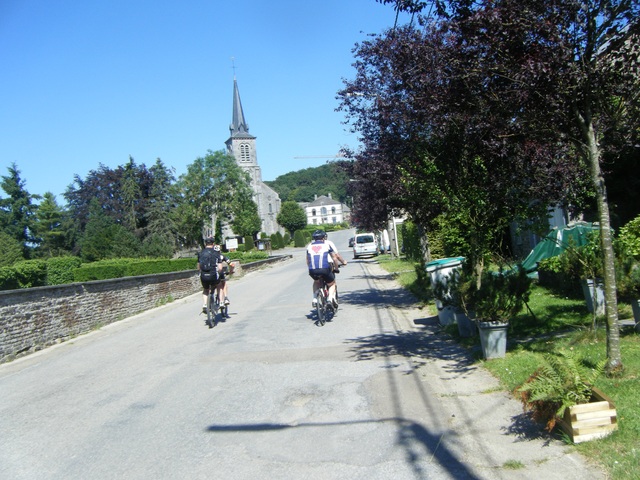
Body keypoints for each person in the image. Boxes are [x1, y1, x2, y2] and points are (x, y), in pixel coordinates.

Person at [306, 229, 347, 307]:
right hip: (325, 268)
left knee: (316, 282)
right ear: (324, 238)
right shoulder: (327, 244)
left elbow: (308, 260)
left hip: (312, 270)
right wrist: (337, 268)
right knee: (332, 284)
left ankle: (314, 299)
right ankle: (329, 299)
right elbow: (335, 258)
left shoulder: (309, 246)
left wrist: (311, 269)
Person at [197, 237, 222, 313]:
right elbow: (220, 268)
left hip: (204, 275)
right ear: (213, 244)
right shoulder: (216, 253)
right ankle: (220, 302)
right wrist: (220, 273)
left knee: (205, 290)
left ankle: (205, 304)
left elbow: (198, 266)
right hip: (213, 275)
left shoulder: (201, 253)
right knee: (219, 285)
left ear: (205, 244)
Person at [213, 244, 235, 313]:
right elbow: (232, 264)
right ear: (220, 250)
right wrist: (231, 271)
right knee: (224, 283)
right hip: (220, 273)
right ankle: (225, 298)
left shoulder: (211, 256)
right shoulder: (222, 256)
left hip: (212, 273)